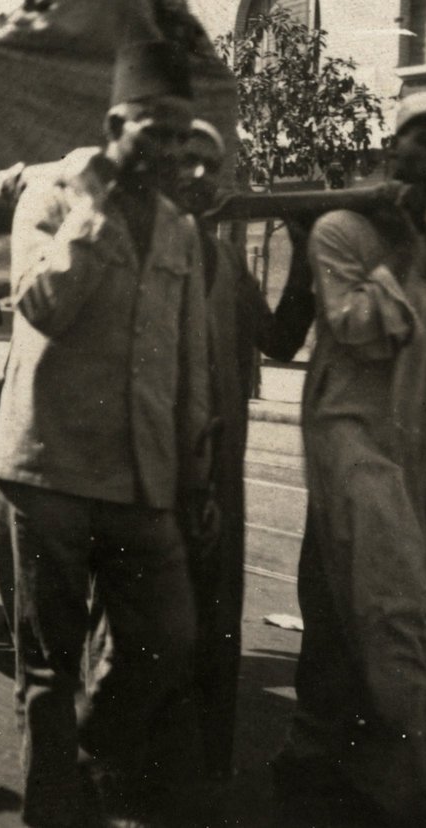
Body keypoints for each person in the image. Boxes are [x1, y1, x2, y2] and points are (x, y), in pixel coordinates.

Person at [0, 44, 215, 828]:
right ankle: (51, 811)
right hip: (49, 467)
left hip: (139, 476)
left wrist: (194, 471)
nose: (171, 150)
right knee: (48, 666)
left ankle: (85, 752)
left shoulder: (182, 229)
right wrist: (90, 211)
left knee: (166, 637)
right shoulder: (49, 200)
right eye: (153, 131)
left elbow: (187, 361)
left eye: (183, 136)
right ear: (115, 124)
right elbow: (41, 305)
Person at [275, 92, 426, 826]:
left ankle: (318, 749)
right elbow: (359, 328)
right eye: (422, 138)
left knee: (340, 599)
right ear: (389, 148)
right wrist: (391, 244)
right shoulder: (340, 229)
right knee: (398, 607)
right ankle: (411, 788)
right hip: (352, 438)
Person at [167, 119, 314, 785]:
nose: (198, 175)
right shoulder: (137, 249)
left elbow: (281, 340)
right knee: (142, 624)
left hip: (220, 471)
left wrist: (304, 246)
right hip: (150, 471)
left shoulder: (227, 264)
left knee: (215, 617)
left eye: (210, 164)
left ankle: (199, 778)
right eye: (185, 161)